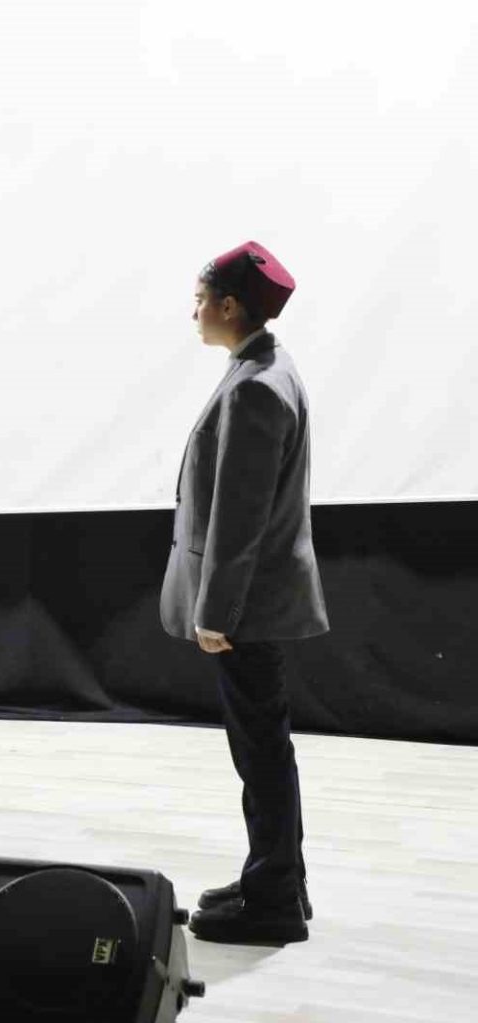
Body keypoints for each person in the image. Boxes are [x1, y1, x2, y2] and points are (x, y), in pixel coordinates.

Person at [160, 243, 329, 944]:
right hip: (254, 602)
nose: (194, 311)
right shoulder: (262, 368)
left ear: (230, 306)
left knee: (260, 751)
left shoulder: (257, 385)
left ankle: (274, 901)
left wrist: (216, 612)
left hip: (247, 608)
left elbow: (239, 517)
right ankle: (278, 879)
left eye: (200, 299)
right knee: (264, 747)